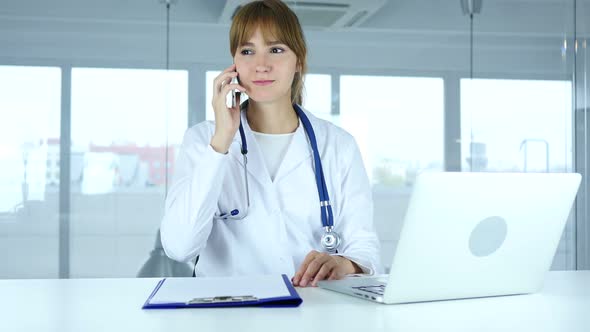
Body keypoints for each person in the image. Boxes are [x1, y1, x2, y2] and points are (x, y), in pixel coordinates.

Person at [161, 0, 382, 287]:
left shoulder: (338, 145)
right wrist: (220, 143)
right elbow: (179, 247)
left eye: (276, 50)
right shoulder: (203, 140)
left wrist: (345, 263)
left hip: (313, 312)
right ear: (234, 63)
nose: (261, 65)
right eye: (248, 51)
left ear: (298, 61)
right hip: (227, 314)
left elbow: (365, 249)